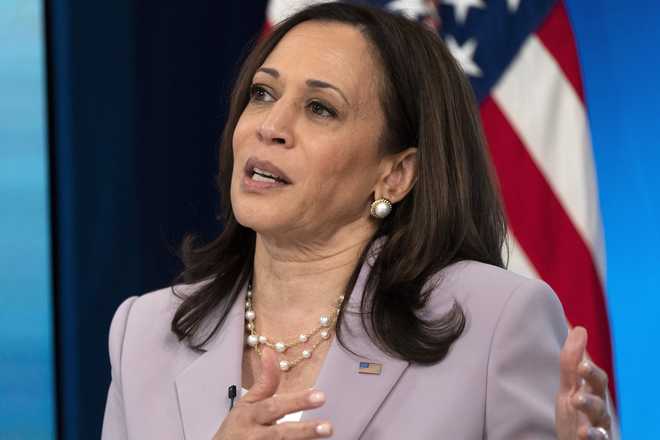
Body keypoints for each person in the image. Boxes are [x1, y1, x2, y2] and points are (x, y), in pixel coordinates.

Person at [101, 3, 612, 439]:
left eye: (320, 108)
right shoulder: (145, 334)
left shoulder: (495, 323)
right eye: (262, 94)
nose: (272, 127)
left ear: (395, 174)